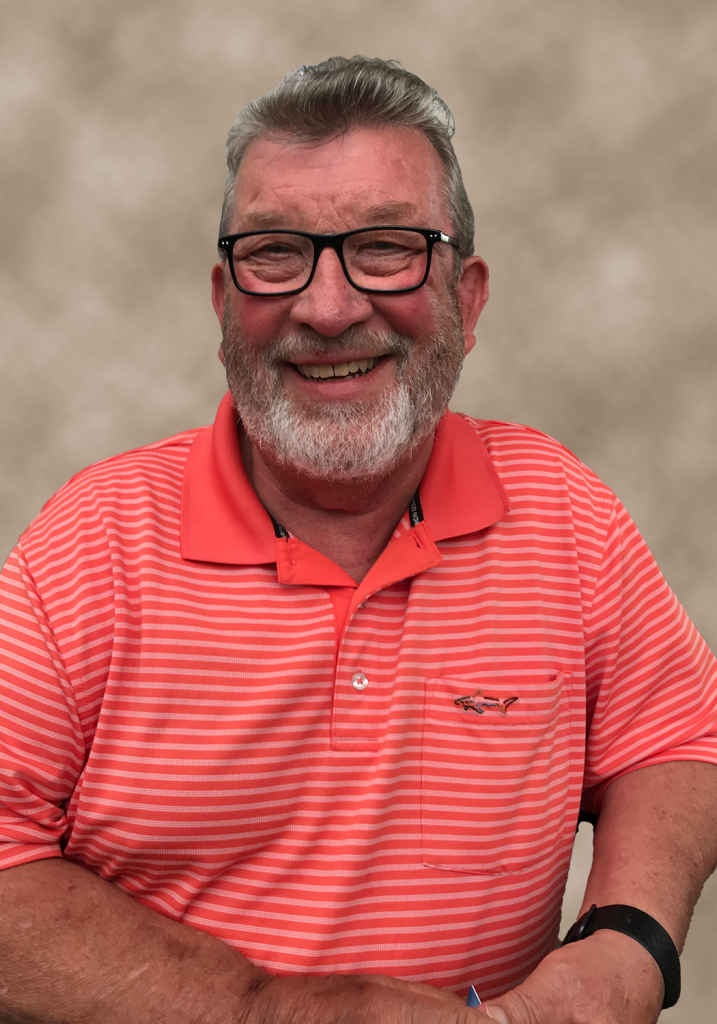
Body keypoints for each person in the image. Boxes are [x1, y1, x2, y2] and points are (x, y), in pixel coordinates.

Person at [0, 56, 716, 1024]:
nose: (328, 307)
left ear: (470, 294)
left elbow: (678, 737)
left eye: (386, 248)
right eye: (275, 253)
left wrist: (628, 947)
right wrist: (267, 1007)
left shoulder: (560, 509)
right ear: (223, 301)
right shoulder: (94, 541)